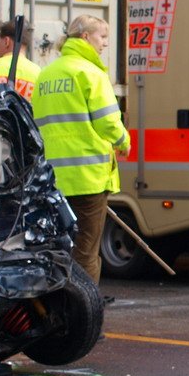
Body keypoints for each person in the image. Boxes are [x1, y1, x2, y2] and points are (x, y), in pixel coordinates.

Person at [31, 15, 130, 284]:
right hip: (88, 180)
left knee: (55, 250)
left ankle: (56, 314)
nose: (106, 44)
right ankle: (85, 318)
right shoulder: (91, 74)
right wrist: (124, 141)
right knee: (85, 254)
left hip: (52, 182)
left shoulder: (45, 76)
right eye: (102, 37)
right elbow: (109, 121)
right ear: (85, 37)